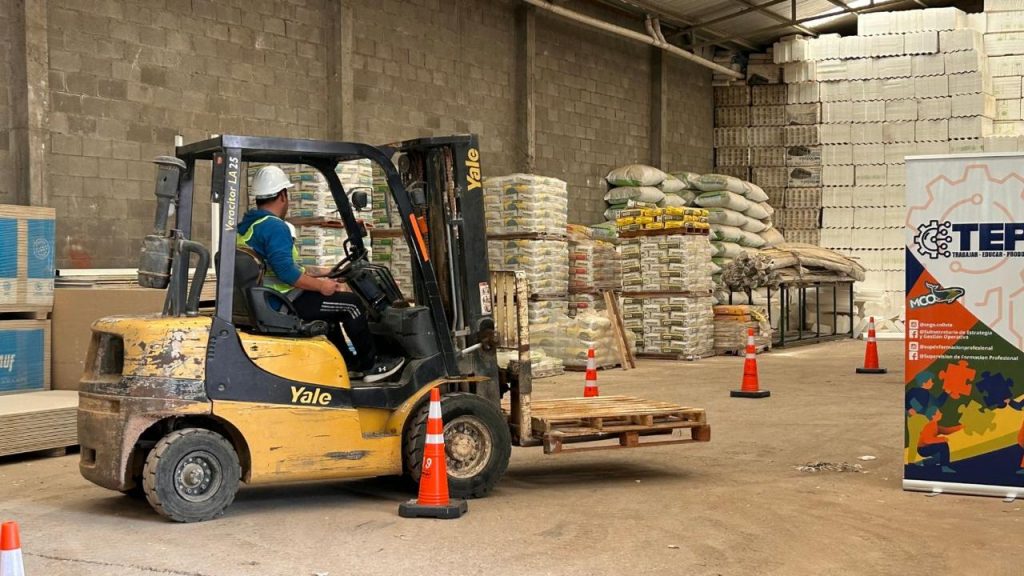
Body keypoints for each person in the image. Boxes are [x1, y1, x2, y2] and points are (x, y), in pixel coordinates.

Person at [238, 165, 405, 383]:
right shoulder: (275, 227)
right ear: (282, 195)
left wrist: (327, 272)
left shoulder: (249, 226)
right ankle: (370, 366)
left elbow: (283, 266)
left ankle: (348, 364)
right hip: (283, 303)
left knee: (331, 312)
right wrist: (321, 286)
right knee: (352, 304)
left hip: (269, 299)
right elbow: (288, 274)